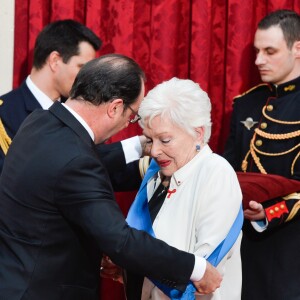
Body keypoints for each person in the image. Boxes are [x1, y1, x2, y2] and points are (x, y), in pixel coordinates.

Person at [0, 54, 222, 300]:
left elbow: (69, 162)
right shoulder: (76, 163)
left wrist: (139, 146)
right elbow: (121, 241)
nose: (129, 123)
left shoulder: (39, 121)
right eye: (132, 116)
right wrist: (195, 268)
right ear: (115, 107)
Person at [102, 77, 243, 299]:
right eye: (150, 140)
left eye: (165, 140)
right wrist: (127, 266)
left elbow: (203, 271)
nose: (154, 151)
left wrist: (136, 259)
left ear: (197, 133)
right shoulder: (156, 171)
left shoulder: (216, 173)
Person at [0, 19, 143, 176]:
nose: (89, 77)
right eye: (82, 67)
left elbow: (96, 171)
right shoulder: (4, 114)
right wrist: (137, 146)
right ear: (55, 61)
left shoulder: (79, 111)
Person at [223, 9, 300, 300]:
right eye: (257, 51)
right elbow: (228, 168)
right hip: (243, 251)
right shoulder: (247, 104)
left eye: (270, 51)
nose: (258, 61)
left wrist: (269, 212)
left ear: (297, 49)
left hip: (291, 253)